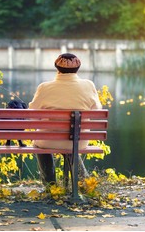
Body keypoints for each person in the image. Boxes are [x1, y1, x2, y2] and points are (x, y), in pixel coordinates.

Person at [29, 53, 102, 185]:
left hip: (48, 141)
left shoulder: (44, 87)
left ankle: (50, 185)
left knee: (39, 143)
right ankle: (83, 180)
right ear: (78, 68)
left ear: (57, 68)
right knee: (72, 140)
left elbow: (32, 113)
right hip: (78, 141)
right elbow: (97, 111)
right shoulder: (88, 85)